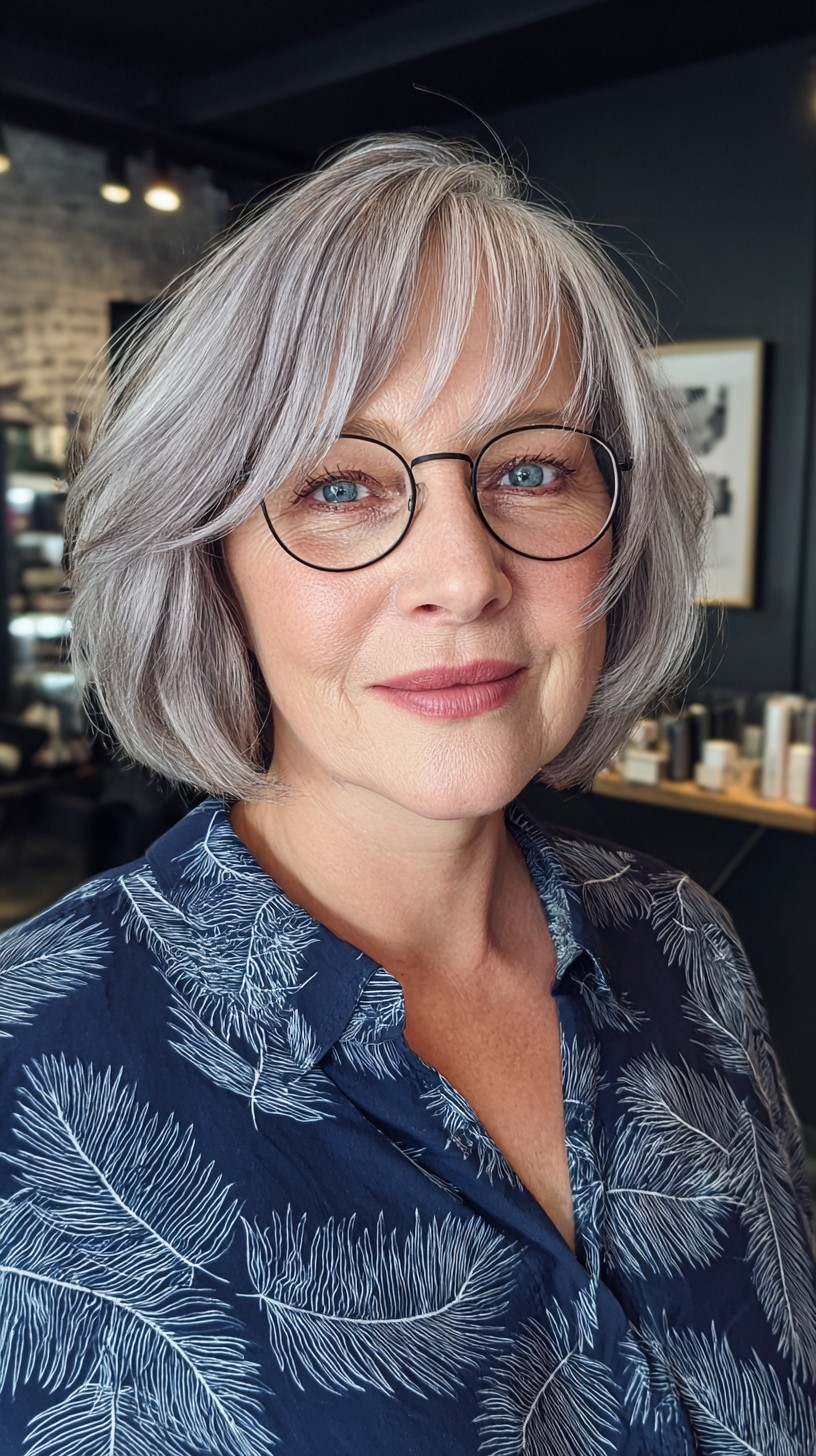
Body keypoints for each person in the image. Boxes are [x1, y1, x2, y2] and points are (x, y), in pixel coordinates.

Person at [1, 133, 813, 1456]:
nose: (463, 574)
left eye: (533, 469)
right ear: (208, 565)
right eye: (336, 485)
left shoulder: (688, 952)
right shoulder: (26, 1079)